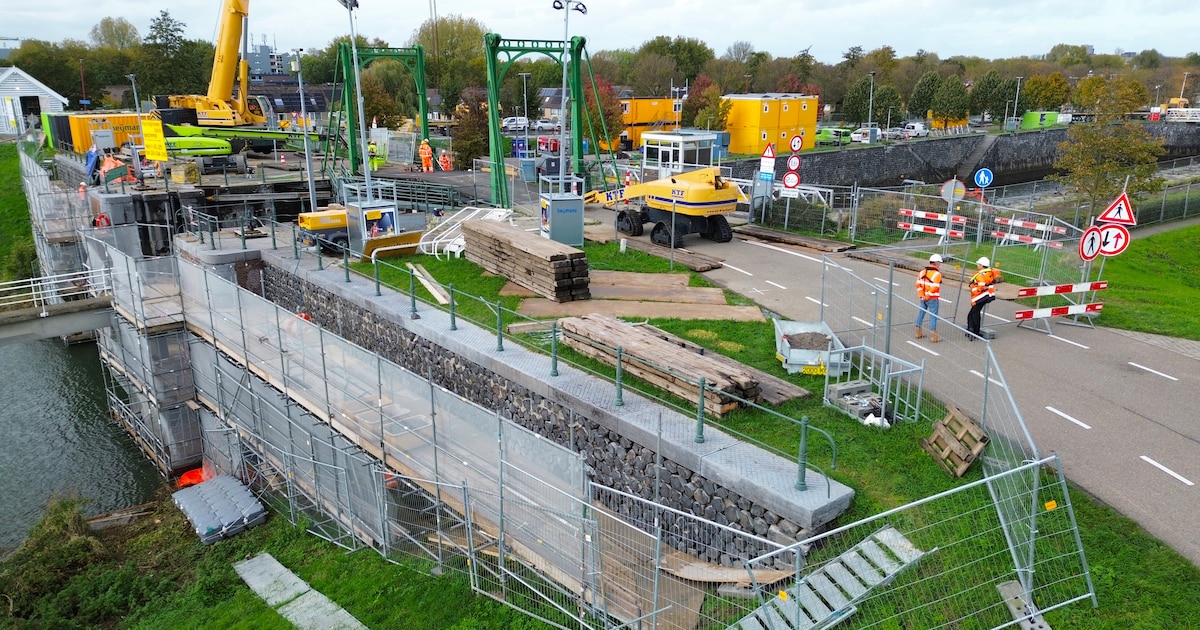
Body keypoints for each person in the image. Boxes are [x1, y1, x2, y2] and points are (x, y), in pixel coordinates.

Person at [967, 256, 1002, 340]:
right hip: (986, 296)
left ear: (982, 265)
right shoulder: (989, 273)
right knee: (974, 313)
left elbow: (981, 285)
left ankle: (973, 332)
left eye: (978, 264)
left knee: (973, 314)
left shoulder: (980, 275)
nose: (977, 265)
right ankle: (973, 330)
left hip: (979, 296)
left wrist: (975, 289)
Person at [915, 253, 943, 343]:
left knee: (921, 314)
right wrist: (928, 295)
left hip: (923, 297)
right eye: (939, 263)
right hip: (932, 298)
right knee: (933, 316)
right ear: (937, 263)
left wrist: (921, 295)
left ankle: (918, 332)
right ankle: (933, 337)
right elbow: (935, 287)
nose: (940, 265)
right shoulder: (937, 274)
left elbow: (918, 285)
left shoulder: (922, 272)